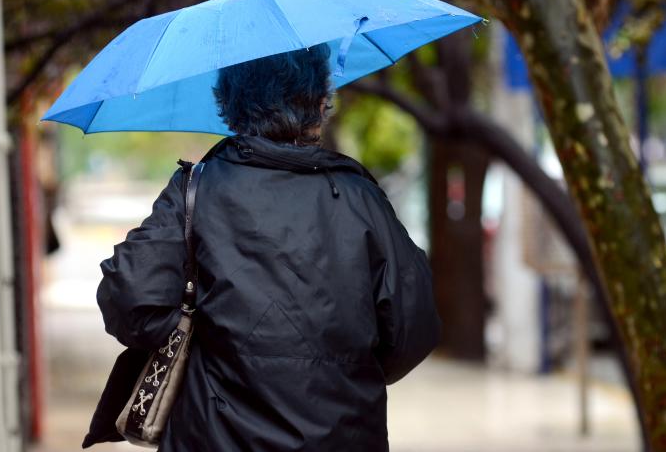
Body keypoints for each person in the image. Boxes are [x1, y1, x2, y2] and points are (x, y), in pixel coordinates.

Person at [96, 44, 441, 451]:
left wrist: (198, 343)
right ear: (319, 101)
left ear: (230, 103)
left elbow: (129, 295)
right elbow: (413, 326)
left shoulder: (196, 190)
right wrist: (344, 372)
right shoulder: (358, 196)